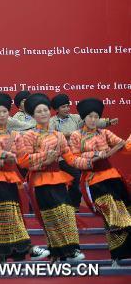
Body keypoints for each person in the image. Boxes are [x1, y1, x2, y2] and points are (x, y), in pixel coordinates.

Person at [0, 93, 49, 263]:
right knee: (3, 214)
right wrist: (4, 157)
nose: (2, 115)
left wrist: (44, 156)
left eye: (4, 112)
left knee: (11, 213)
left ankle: (3, 253)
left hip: (11, 178)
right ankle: (28, 247)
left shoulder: (15, 134)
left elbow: (23, 160)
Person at [18, 93, 87, 262]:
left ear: (50, 112)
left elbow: (70, 158)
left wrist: (88, 163)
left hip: (57, 178)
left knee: (66, 212)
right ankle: (61, 251)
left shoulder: (58, 135)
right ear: (33, 116)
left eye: (45, 110)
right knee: (51, 217)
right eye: (38, 111)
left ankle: (71, 249)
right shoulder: (28, 136)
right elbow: (23, 160)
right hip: (40, 180)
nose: (43, 114)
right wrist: (45, 157)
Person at [69, 98, 131, 267]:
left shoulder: (104, 133)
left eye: (96, 116)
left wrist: (127, 143)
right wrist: (95, 155)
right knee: (113, 216)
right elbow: (74, 158)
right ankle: (116, 257)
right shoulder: (76, 135)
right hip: (94, 180)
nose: (93, 119)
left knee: (125, 213)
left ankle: (119, 257)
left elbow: (122, 146)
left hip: (113, 178)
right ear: (83, 118)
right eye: (90, 116)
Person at [51, 93, 112, 209]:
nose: (67, 109)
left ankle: (82, 205)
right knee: (77, 177)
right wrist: (67, 134)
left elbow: (90, 120)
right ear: (56, 109)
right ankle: (73, 205)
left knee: (93, 176)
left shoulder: (75, 118)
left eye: (68, 106)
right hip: (62, 158)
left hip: (79, 154)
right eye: (63, 107)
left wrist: (107, 122)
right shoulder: (52, 122)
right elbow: (50, 135)